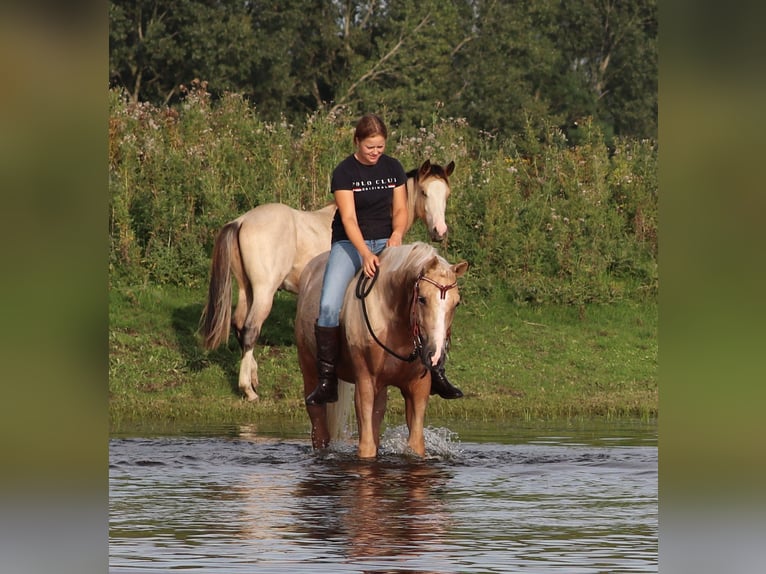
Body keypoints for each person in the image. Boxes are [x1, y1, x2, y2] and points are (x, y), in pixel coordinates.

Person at [305, 113, 463, 406]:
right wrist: (364, 253)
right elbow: (349, 218)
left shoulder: (393, 168)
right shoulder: (344, 172)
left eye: (380, 147)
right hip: (350, 244)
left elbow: (401, 210)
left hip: (388, 241)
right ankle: (327, 379)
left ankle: (436, 368)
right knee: (327, 305)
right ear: (357, 142)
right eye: (370, 147)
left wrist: (397, 235)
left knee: (430, 296)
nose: (376, 152)